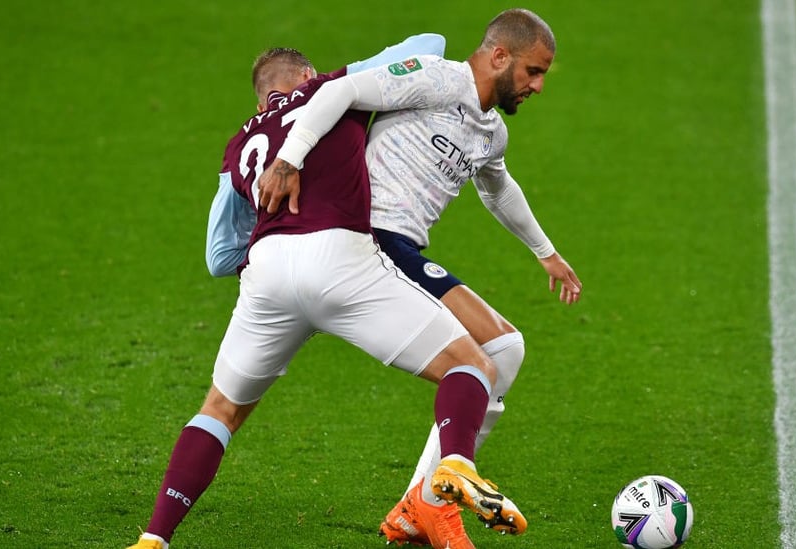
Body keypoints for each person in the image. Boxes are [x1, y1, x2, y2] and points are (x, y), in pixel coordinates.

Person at [126, 36, 527, 549]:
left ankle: (153, 539)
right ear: (306, 74)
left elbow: (218, 256)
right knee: (473, 366)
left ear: (260, 100)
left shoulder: (239, 146)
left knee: (219, 411)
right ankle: (451, 469)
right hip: (342, 259)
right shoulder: (332, 87)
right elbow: (430, 45)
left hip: (267, 276)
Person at [256, 8, 582, 547]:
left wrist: (546, 253)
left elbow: (498, 188)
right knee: (499, 350)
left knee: (505, 348)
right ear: (499, 56)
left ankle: (421, 504)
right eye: (533, 71)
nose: (538, 86)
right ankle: (429, 503)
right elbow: (340, 92)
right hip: (367, 237)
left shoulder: (491, 131)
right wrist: (289, 160)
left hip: (401, 246)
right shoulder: (435, 77)